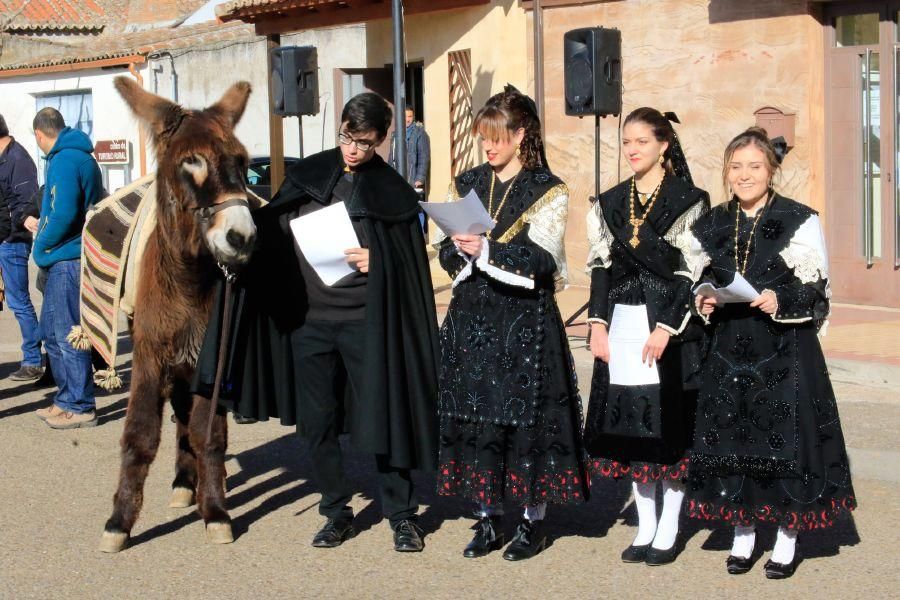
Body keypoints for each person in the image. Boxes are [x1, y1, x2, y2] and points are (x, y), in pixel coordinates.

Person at [193, 93, 440, 552]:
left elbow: (413, 266)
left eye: (364, 143)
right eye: (347, 137)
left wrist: (379, 259)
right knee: (319, 422)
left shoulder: (394, 191)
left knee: (385, 418)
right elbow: (270, 232)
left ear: (383, 140)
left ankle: (401, 516)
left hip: (370, 324)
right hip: (310, 324)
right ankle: (335, 512)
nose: (353, 149)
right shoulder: (310, 174)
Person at [685, 128, 856, 579]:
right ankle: (743, 534)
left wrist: (782, 299)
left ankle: (786, 536)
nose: (745, 175)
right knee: (735, 439)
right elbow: (695, 279)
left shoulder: (799, 219)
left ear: (772, 170)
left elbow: (816, 289)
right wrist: (701, 298)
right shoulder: (711, 222)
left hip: (783, 350)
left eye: (754, 166)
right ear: (726, 172)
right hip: (727, 349)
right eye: (736, 167)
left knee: (784, 442)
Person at [435, 85, 590, 561]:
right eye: (484, 137)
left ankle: (531, 521)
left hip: (525, 323)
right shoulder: (467, 182)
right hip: (472, 320)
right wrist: (456, 248)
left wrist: (489, 250)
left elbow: (544, 260)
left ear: (522, 134)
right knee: (477, 419)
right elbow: (443, 248)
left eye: (499, 137)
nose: (489, 146)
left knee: (529, 426)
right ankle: (486, 517)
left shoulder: (548, 189)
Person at [582, 108, 709, 566]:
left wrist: (666, 327)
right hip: (620, 322)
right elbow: (600, 268)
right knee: (631, 428)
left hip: (666, 328)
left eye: (640, 141)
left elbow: (689, 272)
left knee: (666, 430)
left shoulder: (689, 198)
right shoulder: (611, 201)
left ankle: (670, 526)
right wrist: (596, 323)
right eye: (626, 142)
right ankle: (647, 524)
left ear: (663, 145)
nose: (632, 150)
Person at [31, 108, 103, 429]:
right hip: (70, 256)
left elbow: (61, 213)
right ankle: (66, 398)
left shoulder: (63, 160)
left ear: (39, 135)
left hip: (66, 259)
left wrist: (41, 245)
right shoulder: (78, 156)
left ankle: (80, 404)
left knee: (66, 334)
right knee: (51, 332)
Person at [0, 113, 43, 381]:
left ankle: (33, 360)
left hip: (12, 241)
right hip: (3, 238)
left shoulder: (17, 159)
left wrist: (6, 234)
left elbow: (25, 205)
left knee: (19, 302)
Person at [389, 106, 430, 232]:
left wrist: (420, 177)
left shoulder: (420, 133)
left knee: (416, 207)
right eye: (405, 116)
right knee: (400, 207)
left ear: (413, 117)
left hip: (413, 178)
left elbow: (424, 156)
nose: (407, 119)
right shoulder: (396, 134)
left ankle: (420, 235)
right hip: (398, 177)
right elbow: (391, 157)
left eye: (410, 116)